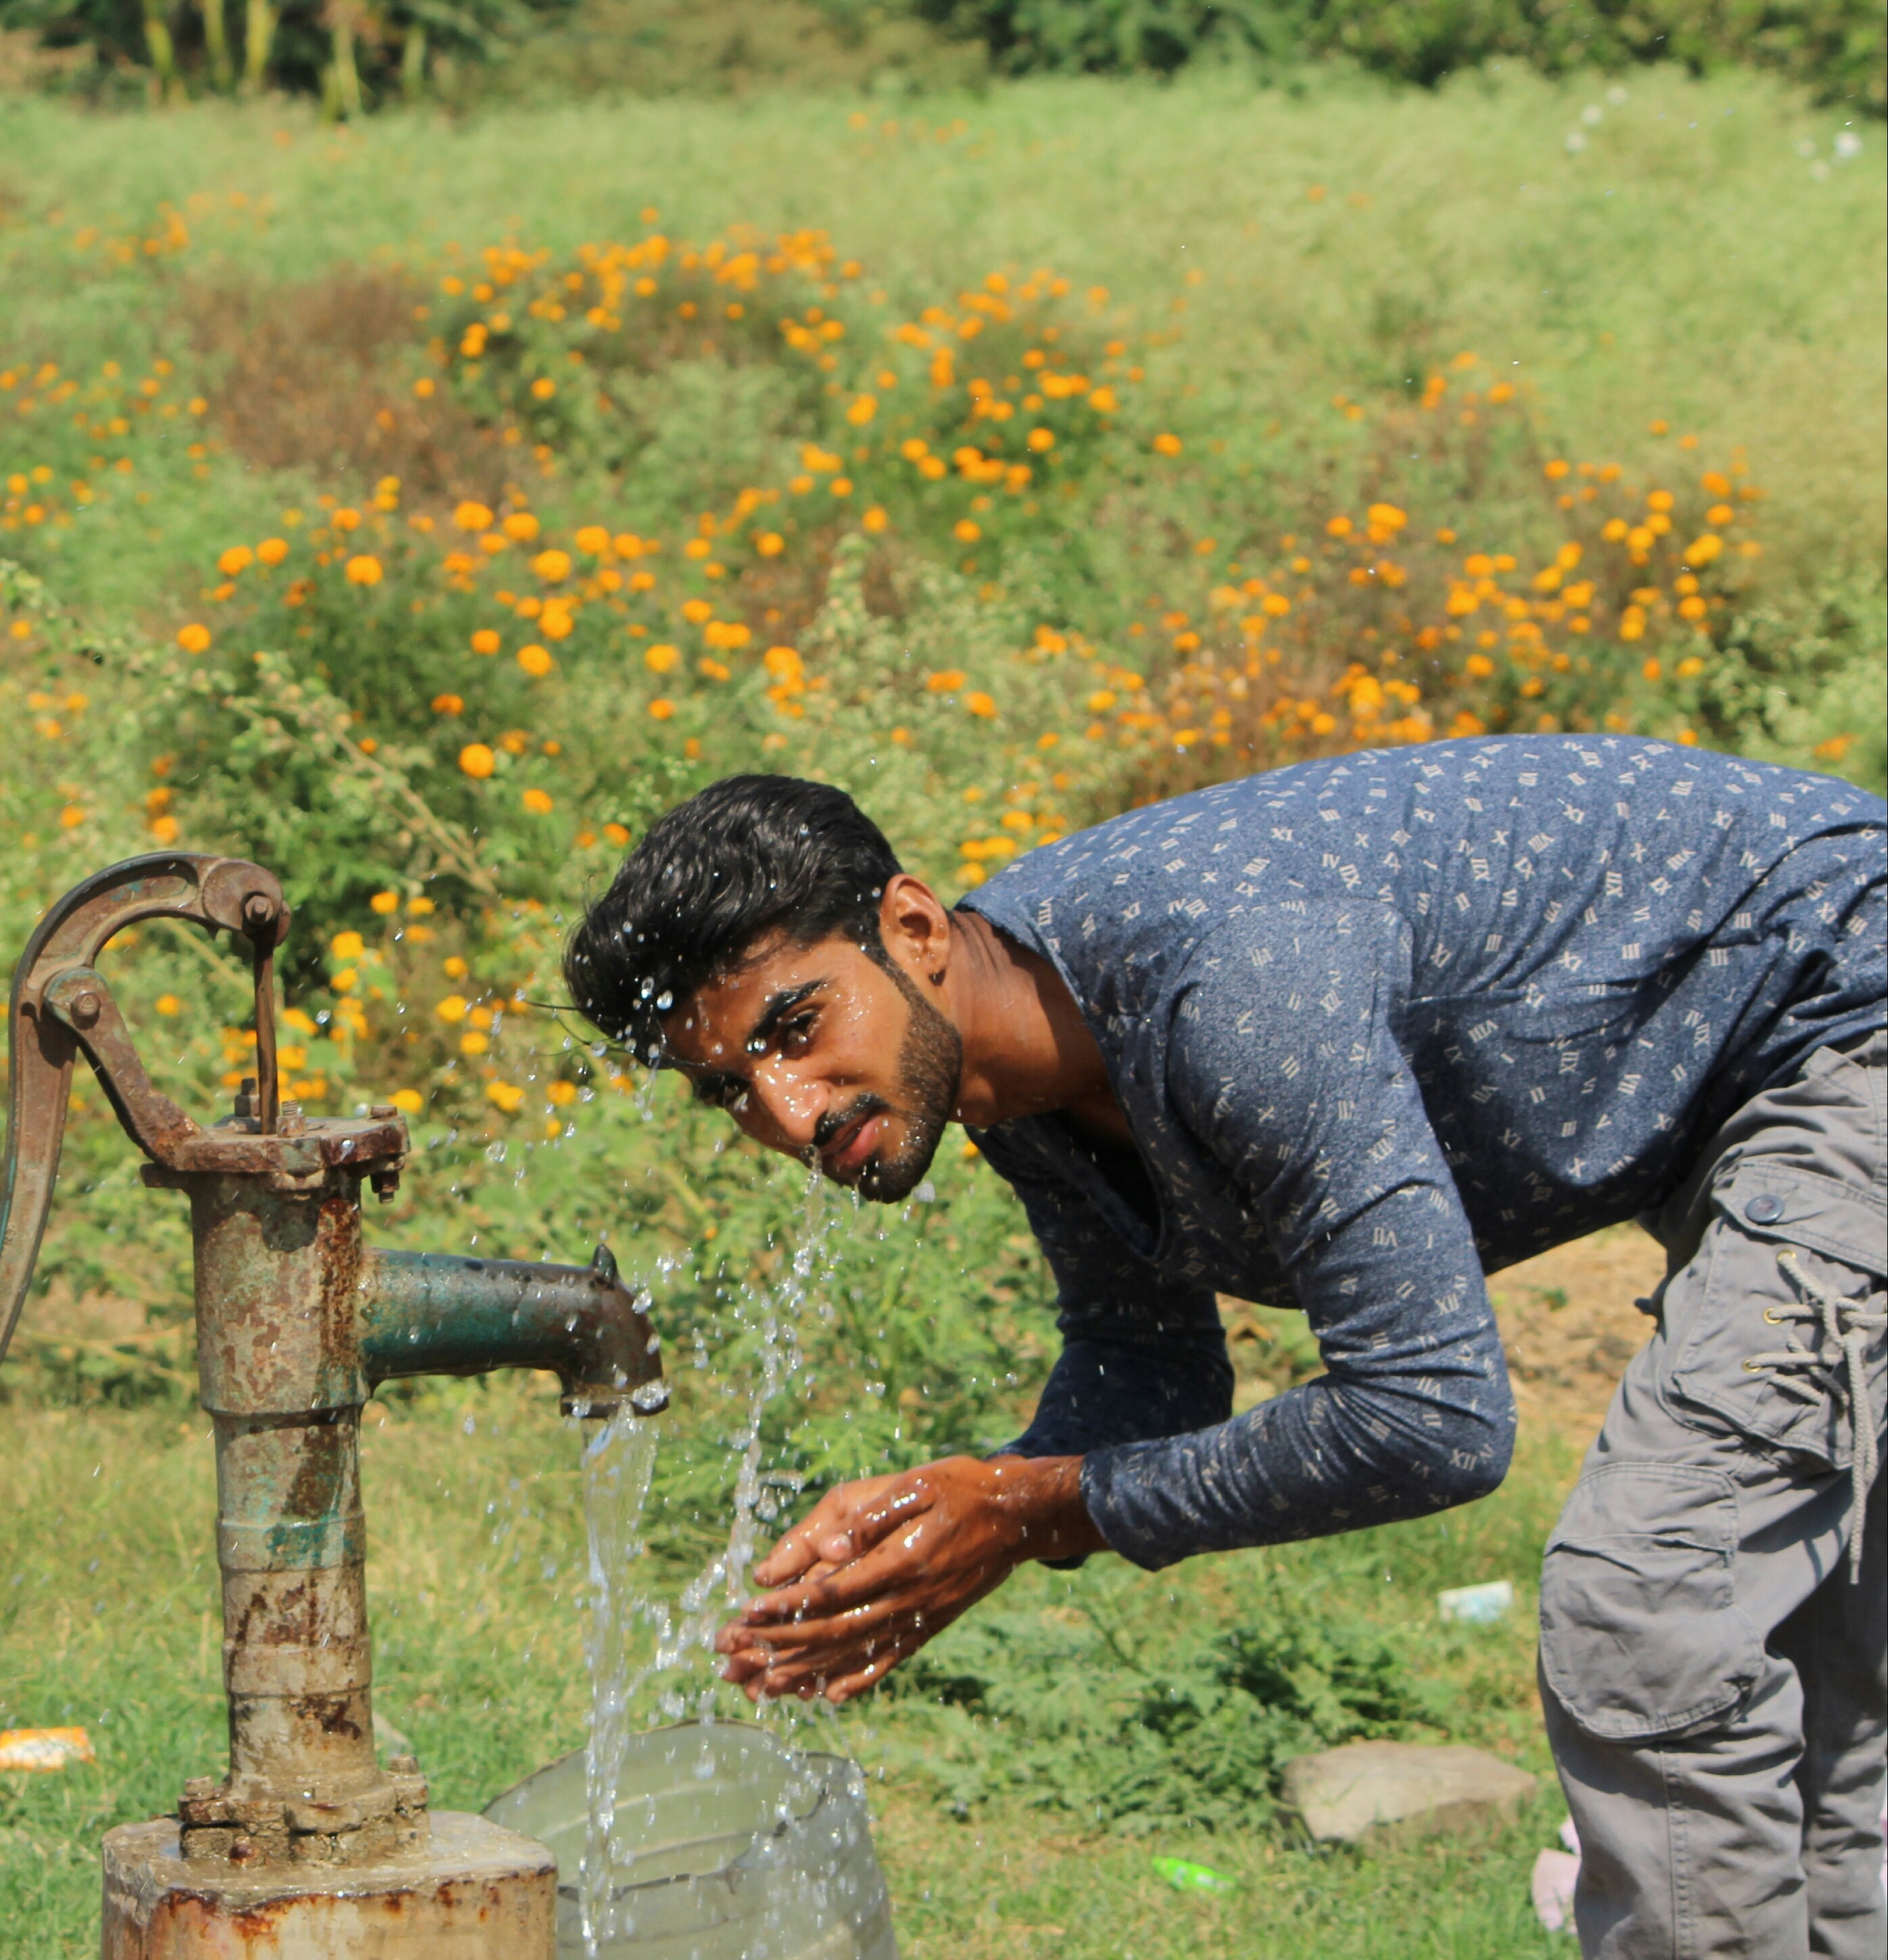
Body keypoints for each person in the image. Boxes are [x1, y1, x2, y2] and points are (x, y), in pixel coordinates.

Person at [563, 735, 1885, 1960]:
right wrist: (973, 1515)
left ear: (911, 927)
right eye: (729, 1087)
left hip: (1845, 1016)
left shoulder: (1227, 979)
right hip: (1763, 1084)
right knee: (1813, 1663)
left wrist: (1029, 1508)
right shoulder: (1012, 1062)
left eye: (794, 1027)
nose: (787, 1109)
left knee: (1650, 1603)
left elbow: (1434, 1418)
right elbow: (1149, 1362)